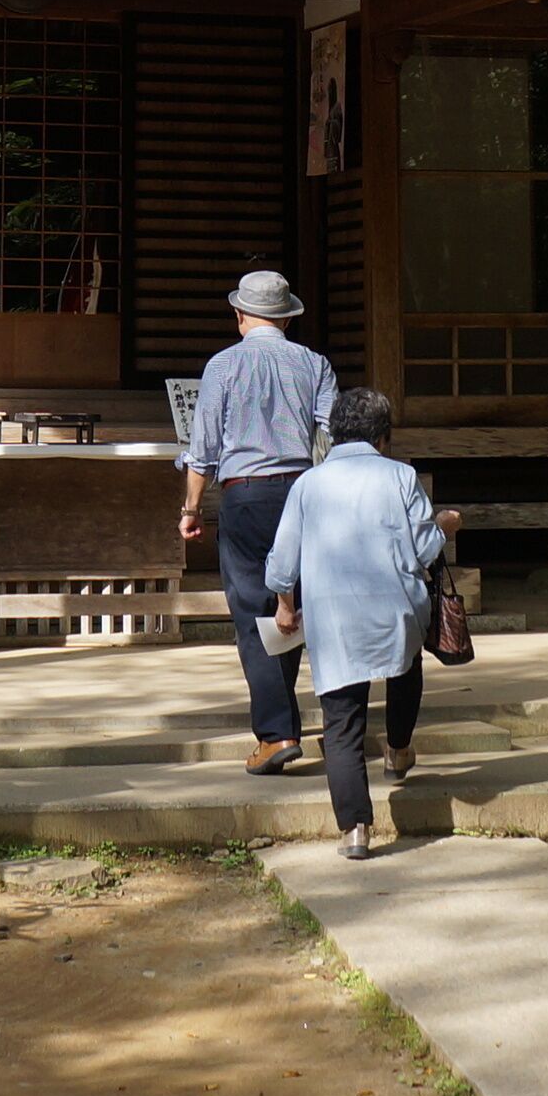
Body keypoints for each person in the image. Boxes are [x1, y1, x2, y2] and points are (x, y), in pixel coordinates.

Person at [265, 386, 459, 859]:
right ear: (384, 437)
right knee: (406, 667)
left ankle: (355, 829)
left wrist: (285, 605)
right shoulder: (401, 476)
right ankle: (397, 748)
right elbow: (426, 548)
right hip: (396, 611)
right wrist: (447, 526)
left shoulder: (308, 484)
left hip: (334, 617)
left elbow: (282, 562)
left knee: (342, 720)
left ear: (334, 434)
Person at [178, 270, 336, 774]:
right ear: (288, 316)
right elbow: (333, 437)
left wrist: (191, 510)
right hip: (306, 492)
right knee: (304, 607)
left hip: (246, 496)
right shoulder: (314, 363)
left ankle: (276, 735)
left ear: (241, 315)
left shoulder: (223, 366)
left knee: (254, 614)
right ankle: (329, 724)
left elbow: (203, 448)